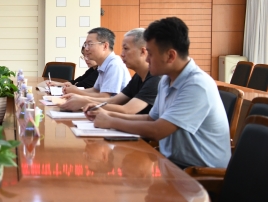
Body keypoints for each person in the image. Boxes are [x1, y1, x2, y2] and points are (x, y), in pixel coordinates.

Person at [86, 17, 230, 168]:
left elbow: (157, 130)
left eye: (150, 53)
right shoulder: (166, 80)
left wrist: (111, 122)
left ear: (170, 56)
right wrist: (109, 114)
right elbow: (151, 119)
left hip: (198, 172)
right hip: (171, 164)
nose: (147, 59)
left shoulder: (197, 85)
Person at [62, 28, 160, 113]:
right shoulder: (138, 77)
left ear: (143, 51)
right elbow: (114, 101)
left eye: (126, 48)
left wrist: (84, 101)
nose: (122, 54)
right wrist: (82, 99)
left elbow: (127, 110)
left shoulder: (155, 78)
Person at [62, 27, 131, 99]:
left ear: (105, 46)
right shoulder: (103, 64)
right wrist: (74, 90)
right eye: (86, 44)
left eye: (90, 44)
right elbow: (95, 90)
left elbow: (105, 97)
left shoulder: (114, 65)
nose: (86, 48)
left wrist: (76, 92)